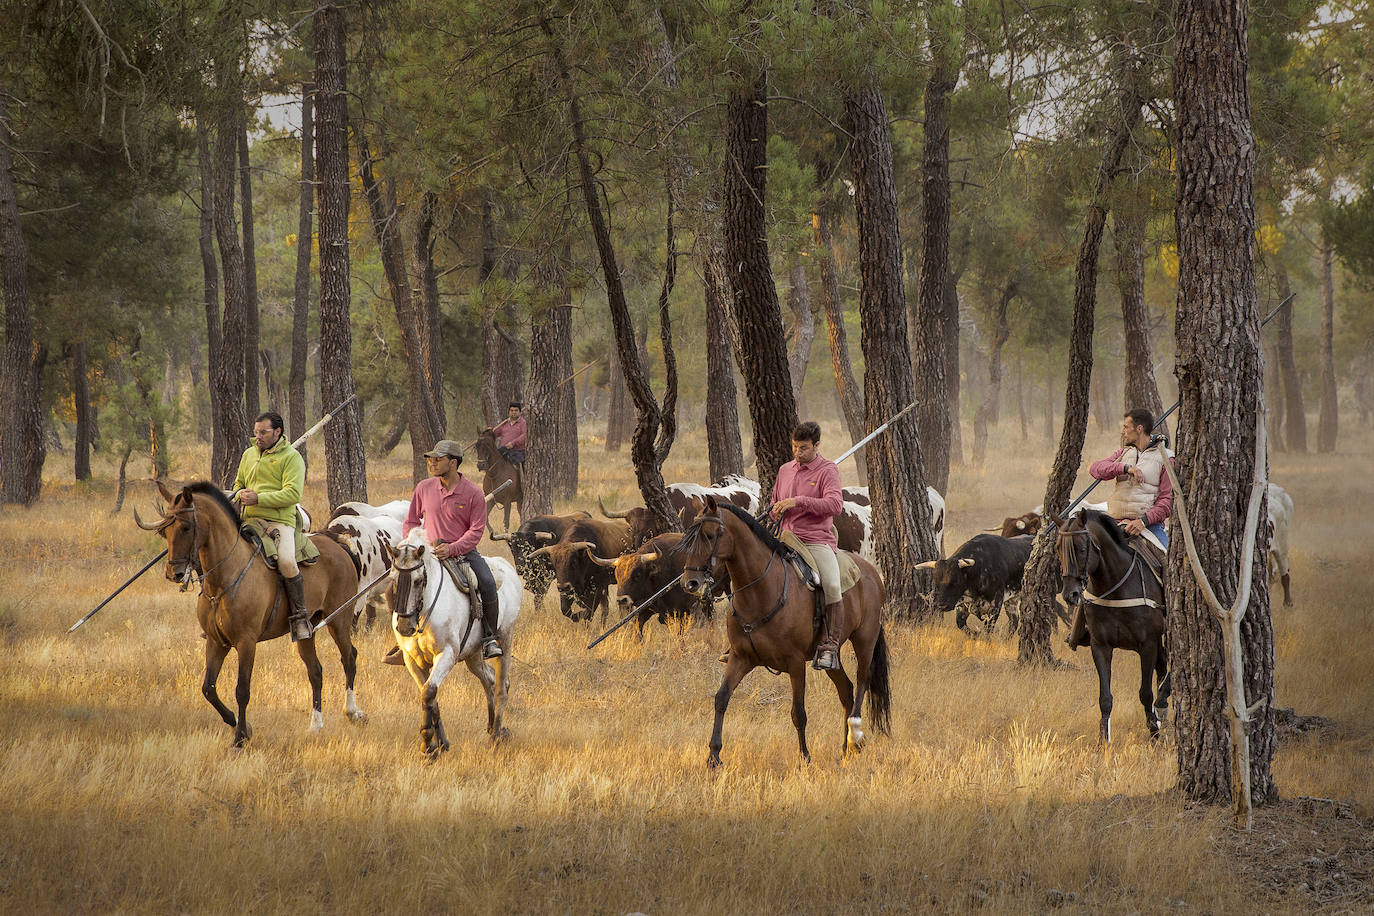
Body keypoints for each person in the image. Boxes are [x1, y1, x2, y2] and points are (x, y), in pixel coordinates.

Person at [1066, 408, 1174, 650]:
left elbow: (1167, 502)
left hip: (1147, 526)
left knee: (1171, 567)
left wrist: (1143, 521)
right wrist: (1125, 469)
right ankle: (1080, 630)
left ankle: (1176, 624)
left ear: (1139, 429)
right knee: (1088, 559)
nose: (1122, 431)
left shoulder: (1167, 458)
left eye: (1126, 427)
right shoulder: (1123, 453)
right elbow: (1095, 469)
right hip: (1114, 523)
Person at [399, 439, 503, 661]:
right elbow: (410, 521)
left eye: (438, 459)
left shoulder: (473, 493)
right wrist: (414, 544)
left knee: (487, 583)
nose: (432, 463)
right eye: (431, 459)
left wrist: (453, 548)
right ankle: (403, 641)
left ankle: (489, 639)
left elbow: (476, 531)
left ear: (453, 463)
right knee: (400, 582)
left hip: (464, 554)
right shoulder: (424, 488)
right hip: (427, 554)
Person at [770, 421, 847, 670]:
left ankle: (829, 646)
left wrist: (798, 502)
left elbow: (835, 505)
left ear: (816, 445)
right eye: (794, 447)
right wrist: (775, 510)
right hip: (784, 537)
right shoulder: (785, 470)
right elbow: (775, 503)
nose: (797, 453)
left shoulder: (828, 470)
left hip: (815, 540)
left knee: (833, 584)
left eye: (803, 448)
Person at [232, 411, 313, 641]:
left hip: (280, 522)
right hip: (249, 520)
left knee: (287, 561)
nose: (258, 436)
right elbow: (239, 483)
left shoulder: (292, 458)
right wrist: (239, 493)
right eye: (256, 432)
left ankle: (299, 616)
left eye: (263, 432)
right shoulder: (248, 455)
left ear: (278, 432)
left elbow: (292, 494)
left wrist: (259, 498)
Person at [490, 402, 526, 466]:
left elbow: (524, 435)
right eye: (511, 410)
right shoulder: (505, 423)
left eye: (516, 410)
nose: (513, 412)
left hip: (517, 451)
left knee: (517, 464)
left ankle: (522, 475)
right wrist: (490, 431)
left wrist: (513, 443)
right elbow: (496, 433)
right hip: (504, 450)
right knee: (493, 461)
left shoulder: (523, 423)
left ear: (520, 412)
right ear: (509, 412)